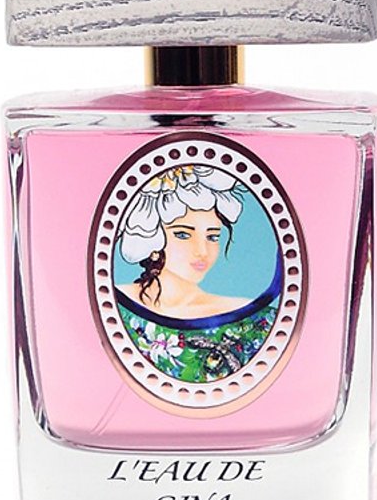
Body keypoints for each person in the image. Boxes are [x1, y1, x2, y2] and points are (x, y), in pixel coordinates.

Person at [114, 164, 280, 382]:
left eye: (212, 237)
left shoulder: (253, 318)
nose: (202, 251)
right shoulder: (115, 303)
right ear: (151, 239)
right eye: (183, 235)